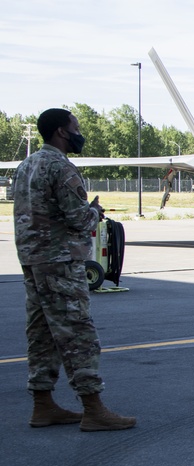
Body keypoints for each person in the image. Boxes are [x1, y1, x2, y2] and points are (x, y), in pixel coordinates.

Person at [12, 108, 136, 431]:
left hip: (32, 259)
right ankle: (93, 408)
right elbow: (78, 219)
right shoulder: (62, 168)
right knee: (78, 333)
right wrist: (93, 211)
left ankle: (43, 405)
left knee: (41, 333)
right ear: (60, 132)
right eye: (75, 128)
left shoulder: (26, 165)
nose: (79, 133)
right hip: (60, 262)